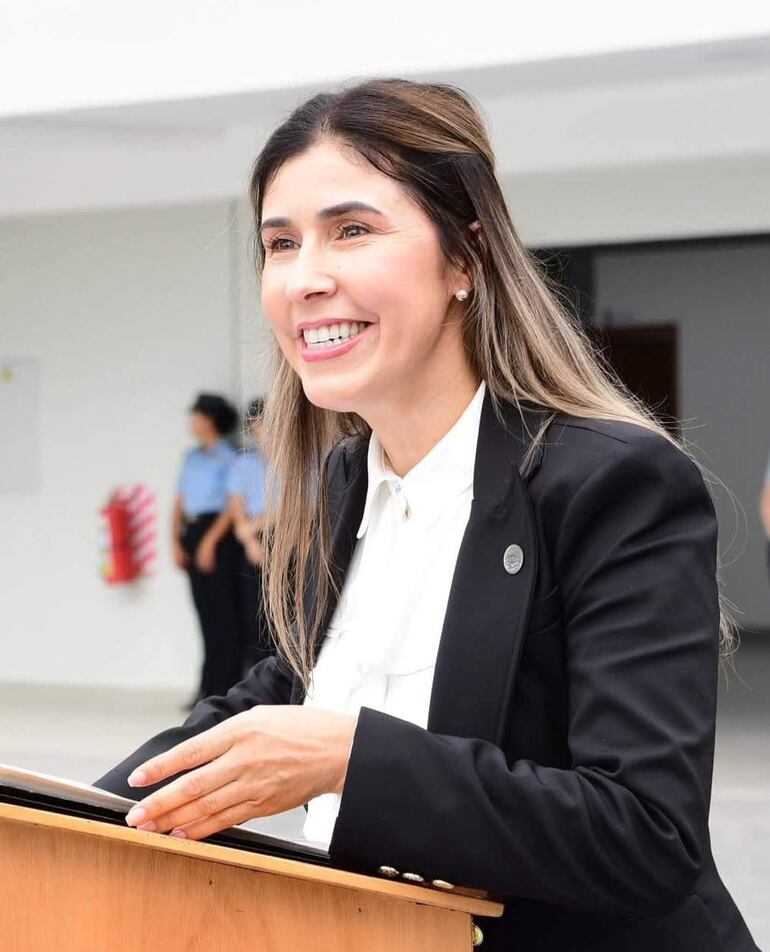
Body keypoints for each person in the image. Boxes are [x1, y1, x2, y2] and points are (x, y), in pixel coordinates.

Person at [96, 80, 757, 951]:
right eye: (280, 243)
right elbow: (280, 692)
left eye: (352, 230)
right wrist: (71, 812)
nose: (306, 279)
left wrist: (346, 759)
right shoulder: (343, 484)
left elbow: (643, 835)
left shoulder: (613, 483)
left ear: (465, 259)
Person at [173, 393, 242, 704]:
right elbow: (180, 501)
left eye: (198, 415)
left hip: (218, 535)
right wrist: (175, 539)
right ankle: (206, 686)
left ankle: (223, 688)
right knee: (203, 614)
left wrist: (210, 542)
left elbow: (232, 505)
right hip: (193, 529)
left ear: (211, 420)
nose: (193, 421)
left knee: (223, 614)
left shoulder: (230, 458)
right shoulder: (191, 458)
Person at [227, 397, 273, 672]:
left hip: (287, 539)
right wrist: (250, 540)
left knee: (284, 615)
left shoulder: (297, 458)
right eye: (258, 425)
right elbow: (236, 509)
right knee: (253, 614)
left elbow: (299, 507)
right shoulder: (244, 463)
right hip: (251, 544)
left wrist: (254, 526)